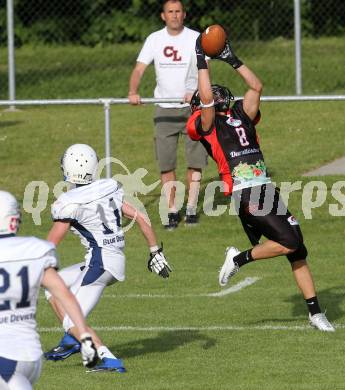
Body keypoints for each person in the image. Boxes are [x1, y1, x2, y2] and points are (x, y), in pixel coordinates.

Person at [186, 34, 335, 332]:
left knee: (297, 249)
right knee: (290, 241)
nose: (215, 94)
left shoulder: (241, 114)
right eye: (210, 95)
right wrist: (202, 59)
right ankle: (239, 259)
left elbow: (256, 86)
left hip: (265, 187)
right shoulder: (206, 125)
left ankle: (315, 313)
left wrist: (231, 58)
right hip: (244, 191)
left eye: (217, 92)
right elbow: (204, 99)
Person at [43, 144, 172, 372]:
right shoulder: (108, 187)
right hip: (109, 260)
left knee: (73, 321)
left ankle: (108, 358)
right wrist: (155, 251)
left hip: (100, 263)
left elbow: (52, 243)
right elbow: (141, 216)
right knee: (52, 289)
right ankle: (70, 341)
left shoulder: (69, 202)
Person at [0, 190, 98, 389]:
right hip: (32, 357)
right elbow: (63, 294)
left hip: (5, 356)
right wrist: (85, 337)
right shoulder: (33, 250)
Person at [128, 0, 207, 229]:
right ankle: (172, 210)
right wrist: (133, 91)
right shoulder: (154, 39)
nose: (174, 15)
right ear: (163, 16)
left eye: (178, 11)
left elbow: (205, 69)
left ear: (184, 14)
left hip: (192, 108)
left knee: (195, 161)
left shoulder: (195, 38)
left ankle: (191, 208)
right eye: (170, 12)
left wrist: (196, 92)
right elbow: (139, 69)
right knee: (166, 163)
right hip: (164, 109)